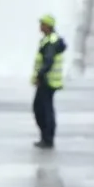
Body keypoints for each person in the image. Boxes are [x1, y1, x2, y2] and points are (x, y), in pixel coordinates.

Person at [32, 14, 67, 149]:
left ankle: (47, 138)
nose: (40, 27)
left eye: (42, 24)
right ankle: (46, 137)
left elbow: (48, 61)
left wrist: (40, 76)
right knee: (44, 109)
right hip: (49, 81)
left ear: (48, 26)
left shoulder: (51, 42)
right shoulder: (49, 40)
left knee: (43, 110)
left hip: (47, 81)